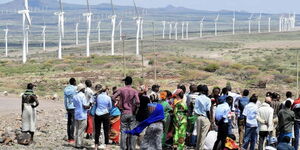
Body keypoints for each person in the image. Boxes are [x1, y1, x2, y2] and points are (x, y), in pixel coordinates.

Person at [112, 76, 140, 150]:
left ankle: (123, 148)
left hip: (124, 112)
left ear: (125, 82)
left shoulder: (121, 90)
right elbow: (138, 102)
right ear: (131, 82)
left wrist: (118, 105)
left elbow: (113, 97)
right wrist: (134, 109)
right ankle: (132, 148)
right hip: (131, 113)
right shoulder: (134, 91)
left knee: (123, 132)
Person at [73, 83, 90, 149]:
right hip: (82, 114)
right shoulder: (83, 96)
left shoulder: (75, 96)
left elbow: (74, 105)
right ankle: (79, 144)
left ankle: (76, 143)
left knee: (77, 130)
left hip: (77, 114)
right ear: (82, 89)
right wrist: (90, 105)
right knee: (81, 131)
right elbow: (85, 106)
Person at [194, 85, 211, 150]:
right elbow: (208, 111)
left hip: (198, 117)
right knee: (203, 136)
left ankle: (197, 148)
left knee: (198, 135)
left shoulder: (197, 98)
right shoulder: (208, 99)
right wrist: (209, 119)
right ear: (205, 91)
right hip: (205, 117)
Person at [64, 78, 77, 143]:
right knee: (73, 123)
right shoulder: (75, 89)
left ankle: (69, 137)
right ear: (74, 82)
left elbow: (65, 99)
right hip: (74, 107)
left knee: (69, 123)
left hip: (68, 107)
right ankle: (72, 138)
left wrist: (66, 107)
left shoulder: (66, 89)